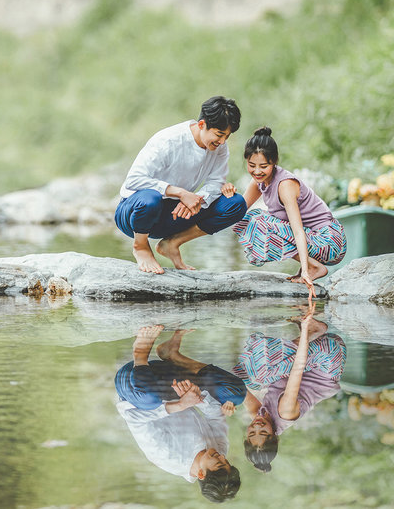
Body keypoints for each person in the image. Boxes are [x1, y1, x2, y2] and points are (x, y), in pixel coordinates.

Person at [115, 96, 247, 274]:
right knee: (151, 198)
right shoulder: (168, 140)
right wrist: (180, 193)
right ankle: (140, 246)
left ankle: (172, 243)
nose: (222, 142)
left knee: (236, 204)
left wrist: (197, 200)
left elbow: (216, 182)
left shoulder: (220, 149)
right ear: (201, 124)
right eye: (219, 134)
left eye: (227, 136)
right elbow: (134, 179)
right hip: (135, 212)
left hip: (173, 214)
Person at [115, 326, 242, 502]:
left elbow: (133, 417)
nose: (221, 456)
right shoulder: (219, 451)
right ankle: (171, 354)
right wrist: (197, 396)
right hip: (171, 380)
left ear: (200, 474)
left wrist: (180, 404)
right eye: (227, 461)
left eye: (219, 463)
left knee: (149, 399)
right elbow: (215, 416)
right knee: (235, 394)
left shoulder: (168, 457)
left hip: (134, 385)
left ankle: (140, 353)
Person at [232, 302, 346, 473]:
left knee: (247, 377)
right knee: (260, 373)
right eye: (263, 433)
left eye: (251, 433)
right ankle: (315, 330)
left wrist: (229, 399)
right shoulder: (285, 412)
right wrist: (306, 333)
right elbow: (297, 368)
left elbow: (236, 383)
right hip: (329, 356)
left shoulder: (259, 416)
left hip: (311, 362)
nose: (257, 426)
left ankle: (308, 329)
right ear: (275, 437)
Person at [233, 127, 346, 295]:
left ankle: (315, 267)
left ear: (274, 162)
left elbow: (298, 230)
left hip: (330, 241)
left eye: (263, 166)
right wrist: (227, 195)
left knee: (258, 220)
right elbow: (236, 212)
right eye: (251, 165)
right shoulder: (259, 181)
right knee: (246, 218)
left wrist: (306, 271)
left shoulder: (285, 185)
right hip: (314, 239)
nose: (257, 171)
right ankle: (310, 266)